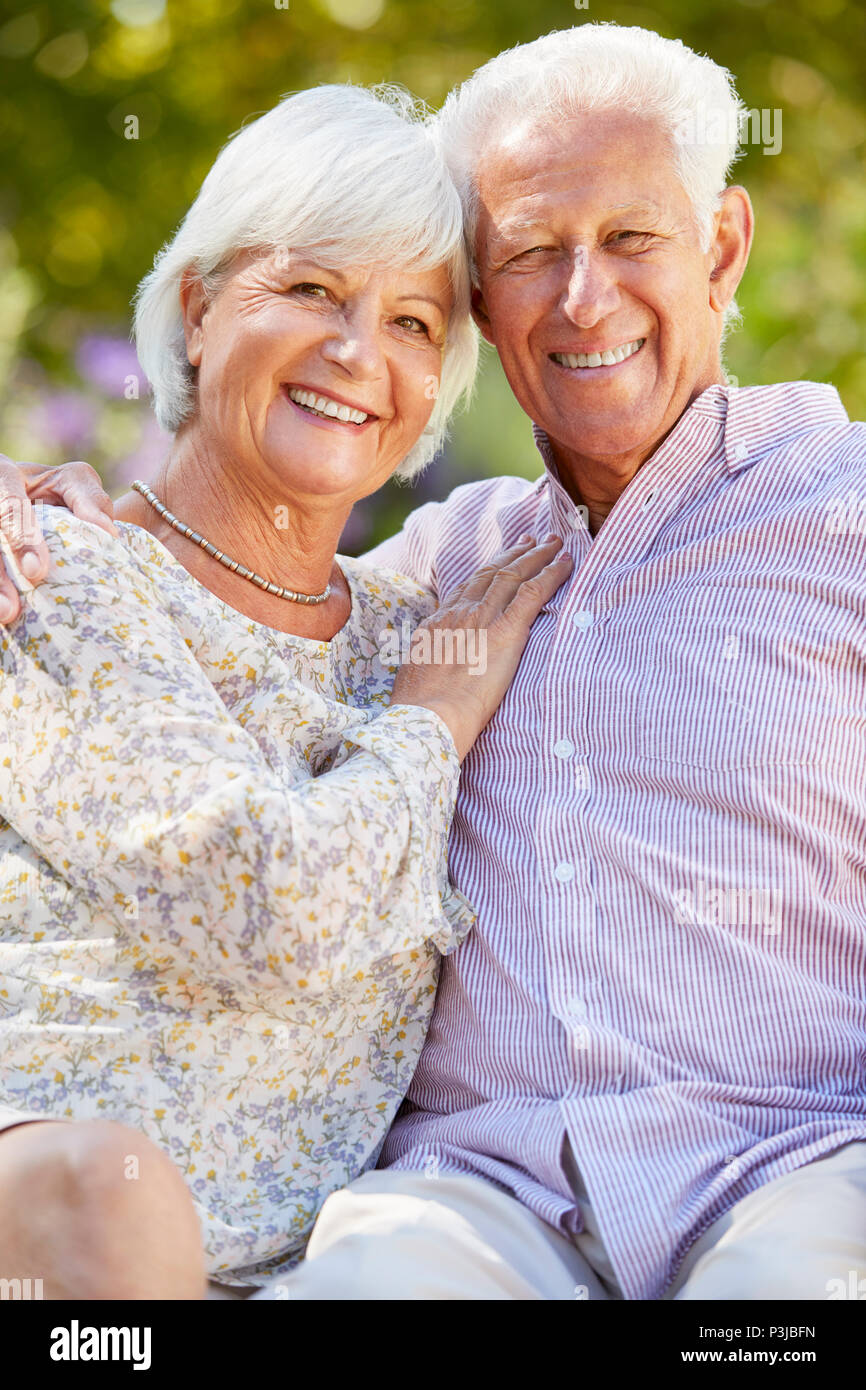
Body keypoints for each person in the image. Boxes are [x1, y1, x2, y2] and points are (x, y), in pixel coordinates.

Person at [4, 23, 865, 1302]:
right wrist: (42, 506)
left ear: (721, 248)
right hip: (466, 1197)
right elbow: (232, 611)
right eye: (526, 253)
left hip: (791, 1163)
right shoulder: (443, 580)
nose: (582, 297)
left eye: (631, 238)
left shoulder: (832, 513)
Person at [0, 82, 573, 1299]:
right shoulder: (66, 579)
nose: (360, 353)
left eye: (414, 322)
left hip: (327, 1264)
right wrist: (433, 724)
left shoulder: (417, 631)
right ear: (199, 310)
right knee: (116, 1191)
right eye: (312, 289)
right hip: (70, 1250)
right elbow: (267, 903)